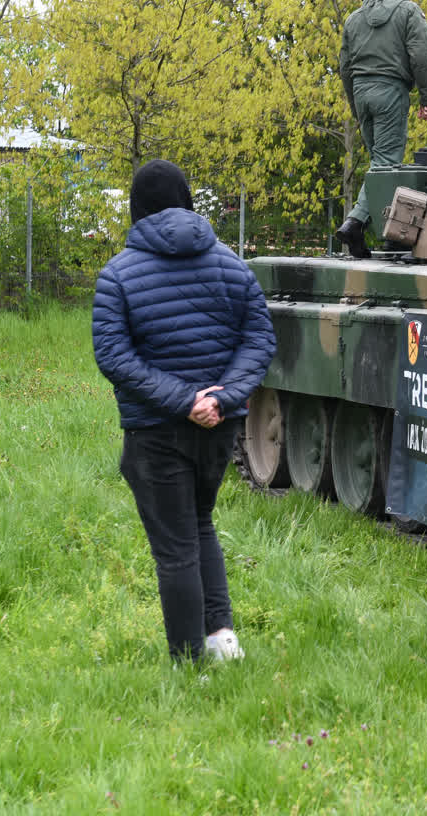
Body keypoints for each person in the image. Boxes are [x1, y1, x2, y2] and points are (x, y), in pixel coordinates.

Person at [92, 160, 276, 664]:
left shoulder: (117, 275)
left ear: (138, 210)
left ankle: (189, 662)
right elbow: (259, 338)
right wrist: (221, 397)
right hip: (220, 427)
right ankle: (222, 642)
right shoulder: (233, 265)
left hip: (157, 431)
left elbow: (113, 355)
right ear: (188, 202)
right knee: (199, 523)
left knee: (176, 546)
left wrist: (184, 401)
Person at [335, 0, 427, 258]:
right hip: (390, 91)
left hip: (361, 91)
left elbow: (344, 66)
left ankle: (367, 227)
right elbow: (422, 55)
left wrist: (355, 104)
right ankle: (357, 223)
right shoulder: (408, 12)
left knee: (378, 162)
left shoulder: (355, 18)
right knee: (386, 165)